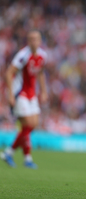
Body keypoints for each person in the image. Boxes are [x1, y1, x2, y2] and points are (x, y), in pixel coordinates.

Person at [1, 30, 48, 169]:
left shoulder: (42, 55)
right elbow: (9, 73)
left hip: (31, 93)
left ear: (40, 41)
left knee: (33, 124)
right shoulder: (23, 55)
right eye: (31, 39)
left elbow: (40, 73)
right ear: (28, 41)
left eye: (36, 39)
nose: (34, 42)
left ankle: (9, 152)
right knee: (27, 124)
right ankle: (27, 158)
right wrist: (10, 95)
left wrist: (44, 91)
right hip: (19, 92)